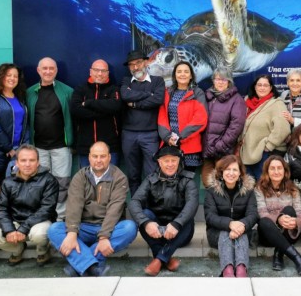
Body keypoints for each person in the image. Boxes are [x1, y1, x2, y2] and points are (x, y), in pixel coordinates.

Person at [48, 142, 138, 277]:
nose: (98, 160)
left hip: (109, 228)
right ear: (89, 157)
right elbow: (74, 205)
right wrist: (72, 232)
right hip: (83, 227)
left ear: (109, 157)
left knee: (130, 228)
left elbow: (115, 209)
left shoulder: (119, 178)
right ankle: (93, 266)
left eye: (102, 156)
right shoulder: (80, 176)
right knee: (54, 230)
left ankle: (78, 264)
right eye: (95, 156)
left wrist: (104, 236)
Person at [129, 146, 199, 276]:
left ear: (179, 161)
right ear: (159, 162)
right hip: (157, 232)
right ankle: (166, 259)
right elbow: (134, 202)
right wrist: (146, 223)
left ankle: (159, 259)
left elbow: (192, 205)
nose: (170, 164)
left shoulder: (188, 180)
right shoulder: (150, 180)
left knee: (188, 219)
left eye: (174, 160)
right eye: (166, 161)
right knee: (144, 215)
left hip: (180, 233)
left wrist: (176, 224)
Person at [0, 144, 58, 267]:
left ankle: (42, 250)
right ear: (17, 163)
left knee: (39, 235)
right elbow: (0, 209)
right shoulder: (8, 182)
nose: (27, 164)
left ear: (38, 162)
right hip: (15, 221)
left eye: (32, 160)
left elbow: (47, 209)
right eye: (23, 160)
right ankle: (18, 249)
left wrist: (23, 229)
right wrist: (9, 230)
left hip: (39, 221)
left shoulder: (49, 180)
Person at [27, 57, 73, 218]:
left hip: (61, 147)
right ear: (38, 70)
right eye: (44, 68)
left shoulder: (67, 91)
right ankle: (44, 216)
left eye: (51, 68)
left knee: (62, 183)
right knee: (41, 183)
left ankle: (60, 218)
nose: (48, 71)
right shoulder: (30, 92)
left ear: (56, 71)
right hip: (38, 148)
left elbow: (73, 119)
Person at [204, 155, 257, 277]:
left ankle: (241, 268)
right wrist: (230, 224)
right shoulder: (211, 191)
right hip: (216, 233)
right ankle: (227, 269)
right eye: (227, 169)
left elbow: (253, 214)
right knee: (225, 233)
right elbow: (210, 216)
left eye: (235, 170)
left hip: (242, 231)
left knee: (242, 234)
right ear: (221, 172)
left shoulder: (248, 190)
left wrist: (242, 225)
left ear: (240, 173)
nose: (231, 173)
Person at [120, 50, 165, 195]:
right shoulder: (126, 81)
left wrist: (135, 104)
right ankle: (136, 210)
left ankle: (151, 211)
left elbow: (157, 99)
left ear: (146, 62)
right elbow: (125, 95)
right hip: (129, 134)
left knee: (152, 174)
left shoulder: (158, 81)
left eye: (138, 63)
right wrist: (147, 95)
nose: (135, 67)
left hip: (150, 134)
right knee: (133, 175)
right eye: (131, 65)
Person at [255, 155, 301, 275]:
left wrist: (296, 222)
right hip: (268, 235)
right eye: (272, 168)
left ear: (285, 171)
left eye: (279, 168)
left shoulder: (293, 189)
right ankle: (296, 257)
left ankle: (279, 254)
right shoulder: (259, 188)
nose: (276, 171)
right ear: (267, 171)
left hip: (289, 232)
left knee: (289, 210)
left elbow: (300, 213)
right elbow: (261, 212)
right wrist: (278, 219)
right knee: (264, 221)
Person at [157, 60, 208, 172]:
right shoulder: (168, 92)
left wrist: (180, 138)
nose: (182, 74)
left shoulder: (197, 93)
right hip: (169, 145)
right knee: (170, 182)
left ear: (191, 76)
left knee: (187, 182)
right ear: (175, 75)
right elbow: (162, 117)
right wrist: (167, 137)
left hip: (190, 146)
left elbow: (201, 119)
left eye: (186, 71)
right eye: (179, 71)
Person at [71, 59, 121, 168]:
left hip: (110, 148)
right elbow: (76, 110)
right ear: (90, 71)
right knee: (86, 182)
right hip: (86, 147)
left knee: (111, 181)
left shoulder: (114, 89)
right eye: (96, 70)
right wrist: (105, 110)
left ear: (108, 73)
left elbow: (115, 106)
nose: (100, 74)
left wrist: (89, 103)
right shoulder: (80, 89)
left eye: (103, 71)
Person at [239, 75, 290, 180]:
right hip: (246, 153)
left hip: (264, 155)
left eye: (266, 85)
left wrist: (268, 146)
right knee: (249, 189)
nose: (262, 88)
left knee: (263, 187)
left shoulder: (277, 104)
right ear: (255, 87)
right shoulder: (247, 102)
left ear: (271, 88)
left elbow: (283, 129)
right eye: (259, 85)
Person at [201, 67, 246, 186]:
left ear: (229, 81)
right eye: (217, 79)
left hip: (224, 152)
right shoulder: (207, 97)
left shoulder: (237, 100)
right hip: (207, 151)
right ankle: (211, 205)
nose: (220, 82)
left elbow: (236, 126)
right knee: (208, 184)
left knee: (225, 183)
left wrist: (219, 145)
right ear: (213, 81)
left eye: (224, 79)